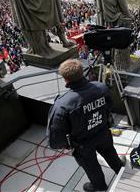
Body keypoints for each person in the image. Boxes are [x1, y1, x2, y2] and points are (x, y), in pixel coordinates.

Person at [46, 59, 124, 191]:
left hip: (83, 143)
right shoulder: (101, 87)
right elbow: (109, 107)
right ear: (82, 73)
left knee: (91, 165)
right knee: (110, 152)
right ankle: (121, 171)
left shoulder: (62, 105)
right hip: (103, 132)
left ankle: (99, 186)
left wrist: (66, 144)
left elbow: (55, 137)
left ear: (66, 79)